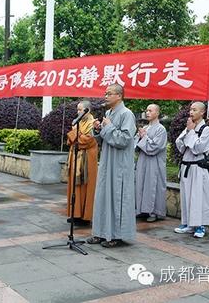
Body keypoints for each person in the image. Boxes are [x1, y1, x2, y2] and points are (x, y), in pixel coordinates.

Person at [87, 84, 137, 248]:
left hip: (119, 165)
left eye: (109, 93)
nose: (105, 96)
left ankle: (116, 235)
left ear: (119, 96)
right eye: (105, 93)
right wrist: (98, 130)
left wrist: (107, 127)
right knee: (103, 196)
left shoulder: (126, 114)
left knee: (116, 197)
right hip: (107, 161)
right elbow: (105, 139)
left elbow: (123, 140)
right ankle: (101, 233)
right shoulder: (108, 113)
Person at [174, 102, 209, 238]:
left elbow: (198, 148)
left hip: (198, 168)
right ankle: (188, 223)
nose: (191, 112)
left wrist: (191, 132)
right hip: (186, 166)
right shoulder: (189, 127)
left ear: (202, 112)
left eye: (194, 110)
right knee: (186, 196)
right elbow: (180, 145)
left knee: (198, 197)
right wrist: (188, 131)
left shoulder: (206, 130)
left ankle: (200, 225)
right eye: (190, 109)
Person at [66, 100, 99, 226]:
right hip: (75, 158)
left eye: (80, 110)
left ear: (87, 110)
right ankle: (76, 214)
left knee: (85, 187)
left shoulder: (93, 123)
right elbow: (70, 140)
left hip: (86, 161)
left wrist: (75, 133)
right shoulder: (78, 122)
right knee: (75, 187)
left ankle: (85, 217)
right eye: (77, 109)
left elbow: (87, 141)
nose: (77, 112)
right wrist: (75, 134)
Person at [135, 104, 168, 222]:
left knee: (153, 184)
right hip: (143, 160)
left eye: (150, 110)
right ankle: (142, 210)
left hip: (154, 162)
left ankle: (154, 212)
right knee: (141, 184)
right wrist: (139, 137)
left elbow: (155, 147)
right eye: (146, 110)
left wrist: (144, 137)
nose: (147, 113)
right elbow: (136, 145)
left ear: (157, 113)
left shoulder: (161, 129)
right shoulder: (146, 127)